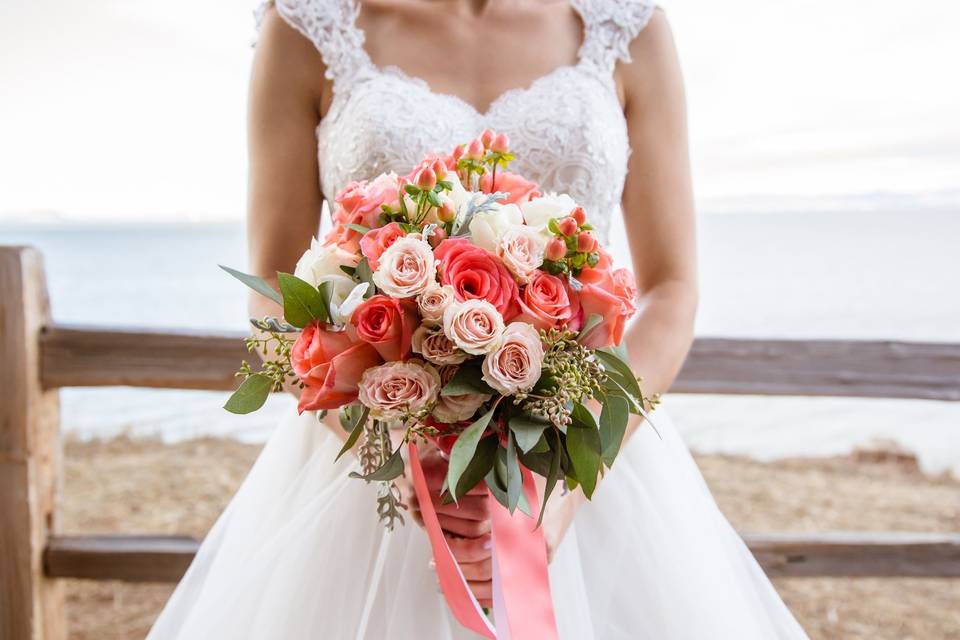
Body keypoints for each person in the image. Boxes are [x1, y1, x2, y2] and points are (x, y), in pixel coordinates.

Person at [148, 0, 809, 637]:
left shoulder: (628, 26)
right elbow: (273, 286)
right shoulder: (308, 26)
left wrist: (569, 482)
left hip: (582, 444)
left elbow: (672, 288)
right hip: (370, 465)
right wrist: (388, 435)